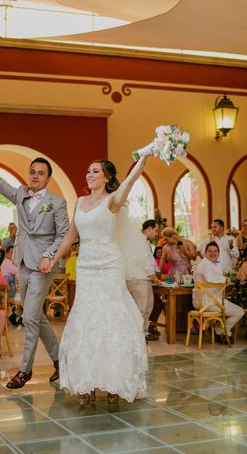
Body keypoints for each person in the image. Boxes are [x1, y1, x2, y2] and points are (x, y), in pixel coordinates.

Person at [48, 156, 149, 405]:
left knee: (111, 319)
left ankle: (114, 382)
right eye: (88, 170)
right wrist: (51, 258)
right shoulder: (80, 202)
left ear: (106, 177)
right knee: (87, 318)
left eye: (95, 171)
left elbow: (132, 179)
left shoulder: (112, 201)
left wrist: (144, 156)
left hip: (109, 265)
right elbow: (70, 236)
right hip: (86, 266)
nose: (89, 174)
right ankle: (87, 382)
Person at [0, 142, 68, 389]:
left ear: (48, 179)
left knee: (29, 317)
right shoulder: (21, 194)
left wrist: (49, 255)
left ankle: (25, 370)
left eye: (40, 173)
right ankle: (60, 361)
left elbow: (63, 235)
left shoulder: (57, 203)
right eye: (32, 172)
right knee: (35, 316)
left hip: (44, 265)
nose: (35, 176)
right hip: (23, 262)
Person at [193, 242, 244, 343]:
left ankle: (220, 329)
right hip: (204, 302)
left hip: (216, 300)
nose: (213, 253)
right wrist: (224, 279)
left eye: (215, 251)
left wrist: (224, 279)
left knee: (239, 311)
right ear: (205, 253)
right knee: (232, 312)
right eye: (210, 251)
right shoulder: (204, 263)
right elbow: (210, 278)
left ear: (218, 253)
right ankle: (223, 332)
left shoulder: (215, 264)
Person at [125, 219, 159, 337]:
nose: (157, 234)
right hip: (138, 278)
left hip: (145, 278)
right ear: (149, 229)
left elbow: (149, 259)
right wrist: (152, 274)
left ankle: (144, 333)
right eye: (155, 230)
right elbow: (143, 259)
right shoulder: (138, 239)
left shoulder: (144, 240)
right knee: (140, 309)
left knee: (148, 307)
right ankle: (138, 335)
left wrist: (156, 272)